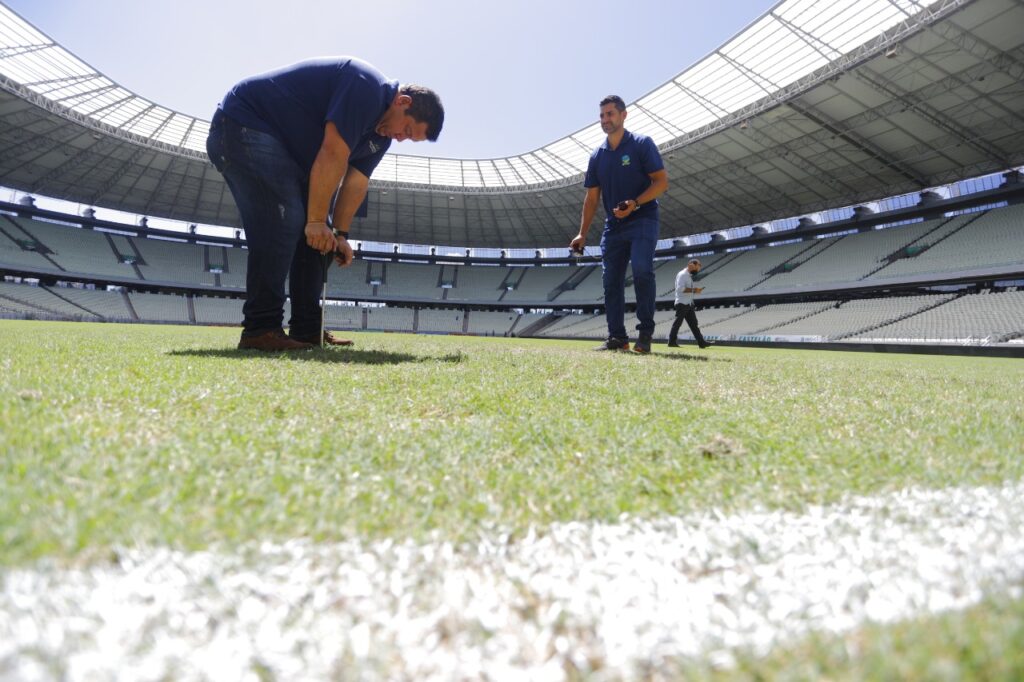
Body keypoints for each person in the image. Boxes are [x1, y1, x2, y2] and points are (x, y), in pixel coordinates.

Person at [206, 58, 444, 350]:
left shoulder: (380, 138)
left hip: (284, 151)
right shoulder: (366, 87)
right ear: (402, 101)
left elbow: (355, 182)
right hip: (244, 124)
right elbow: (332, 153)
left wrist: (340, 234)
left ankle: (307, 329)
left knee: (322, 239)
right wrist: (316, 220)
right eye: (406, 130)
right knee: (286, 218)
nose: (400, 138)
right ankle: (261, 328)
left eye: (409, 139)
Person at [570, 95, 668, 354]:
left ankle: (645, 333)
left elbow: (661, 182)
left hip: (643, 218)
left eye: (610, 114)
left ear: (624, 115)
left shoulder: (641, 144)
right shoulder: (597, 155)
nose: (605, 120)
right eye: (602, 115)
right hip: (613, 226)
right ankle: (617, 337)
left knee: (642, 271)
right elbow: (591, 199)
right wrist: (582, 233)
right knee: (610, 280)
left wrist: (634, 203)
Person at [668, 259, 712, 349]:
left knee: (694, 324)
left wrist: (694, 291)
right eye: (697, 268)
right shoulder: (683, 274)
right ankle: (671, 342)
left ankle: (701, 342)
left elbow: (686, 289)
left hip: (688, 303)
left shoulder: (687, 276)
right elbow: (680, 289)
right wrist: (695, 290)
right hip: (682, 303)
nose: (697, 271)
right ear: (691, 265)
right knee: (678, 323)